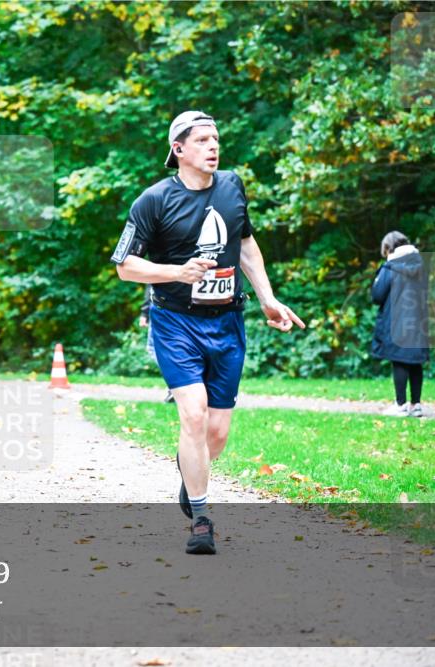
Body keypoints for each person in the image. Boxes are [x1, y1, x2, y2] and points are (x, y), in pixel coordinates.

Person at [111, 110, 305, 555]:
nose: (213, 146)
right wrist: (176, 272)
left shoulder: (232, 186)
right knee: (194, 416)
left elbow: (246, 244)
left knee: (216, 433)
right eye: (202, 140)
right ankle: (201, 518)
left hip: (227, 322)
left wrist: (267, 298)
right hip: (176, 322)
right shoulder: (153, 200)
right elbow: (125, 266)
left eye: (215, 138)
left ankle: (190, 473)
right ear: (178, 149)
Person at [371, 231, 429, 418]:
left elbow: (377, 296)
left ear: (388, 248)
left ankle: (400, 405)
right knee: (415, 361)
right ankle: (416, 405)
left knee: (400, 360)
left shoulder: (390, 267)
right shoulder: (421, 266)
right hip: (418, 320)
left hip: (396, 321)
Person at [138, 285, 174, 403]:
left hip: (162, 308)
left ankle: (177, 384)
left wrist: (144, 312)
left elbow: (152, 284)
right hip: (179, 310)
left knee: (153, 348)